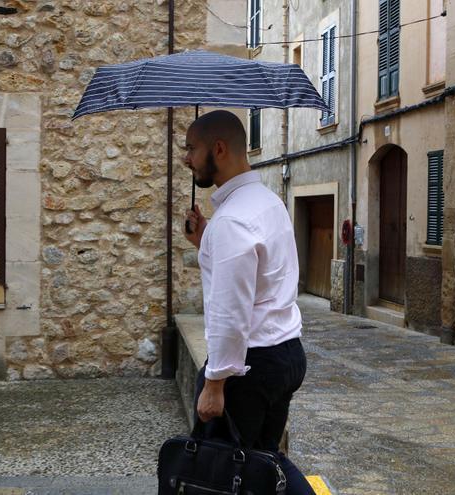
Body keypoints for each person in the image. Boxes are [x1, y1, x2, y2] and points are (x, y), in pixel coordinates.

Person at [183, 110, 314, 494]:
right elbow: (261, 277)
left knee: (220, 471)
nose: (186, 158)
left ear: (218, 149)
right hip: (286, 353)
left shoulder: (232, 221)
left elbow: (230, 311)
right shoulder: (266, 201)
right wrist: (204, 238)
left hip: (248, 367)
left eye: (191, 148)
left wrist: (214, 383)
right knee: (261, 461)